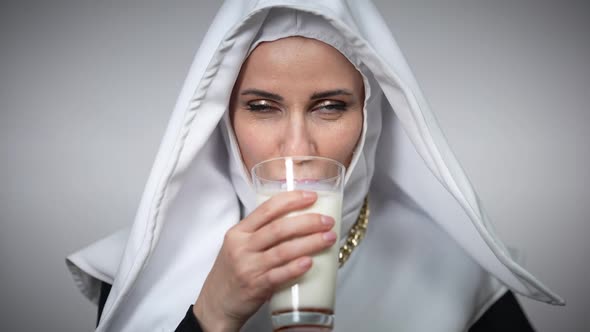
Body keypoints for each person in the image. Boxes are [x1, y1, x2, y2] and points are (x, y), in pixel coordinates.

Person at [66, 1, 564, 331]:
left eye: (330, 106)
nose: (297, 145)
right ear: (223, 120)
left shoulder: (454, 270)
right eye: (261, 107)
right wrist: (211, 314)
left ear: (369, 118)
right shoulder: (145, 269)